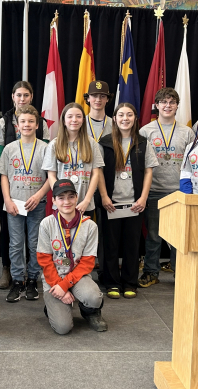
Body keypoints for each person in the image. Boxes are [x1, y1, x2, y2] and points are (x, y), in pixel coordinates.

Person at [0, 81, 50, 290]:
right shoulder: (9, 149)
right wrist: (7, 200)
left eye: (31, 122)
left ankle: (33, 277)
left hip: (38, 202)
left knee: (35, 243)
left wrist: (39, 196)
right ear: (17, 124)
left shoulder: (45, 148)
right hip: (14, 203)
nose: (26, 125)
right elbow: (4, 176)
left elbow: (50, 176)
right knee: (15, 244)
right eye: (23, 122)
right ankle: (17, 278)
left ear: (37, 125)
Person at [99, 103, 158, 299]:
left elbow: (149, 170)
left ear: (135, 118)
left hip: (135, 203)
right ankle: (112, 283)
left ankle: (130, 282)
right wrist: (104, 196)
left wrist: (143, 197)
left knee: (132, 245)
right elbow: (97, 171)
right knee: (111, 245)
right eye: (121, 115)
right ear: (114, 118)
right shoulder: (105, 142)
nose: (125, 118)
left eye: (129, 115)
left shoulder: (142, 142)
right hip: (111, 203)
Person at [138, 88, 195, 287]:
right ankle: (151, 272)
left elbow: (193, 163)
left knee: (179, 235)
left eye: (171, 102)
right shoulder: (146, 131)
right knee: (153, 235)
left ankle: (180, 272)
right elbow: (140, 163)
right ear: (157, 106)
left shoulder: (187, 132)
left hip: (179, 191)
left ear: (177, 106)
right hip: (154, 190)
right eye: (163, 102)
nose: (167, 105)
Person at [37, 179, 108, 335]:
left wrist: (65, 285)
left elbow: (87, 263)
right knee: (63, 328)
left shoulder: (90, 226)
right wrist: (59, 285)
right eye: (61, 198)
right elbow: (44, 260)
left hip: (78, 276)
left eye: (70, 196)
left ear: (77, 198)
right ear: (54, 201)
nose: (66, 202)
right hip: (53, 278)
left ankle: (90, 312)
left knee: (94, 297)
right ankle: (53, 306)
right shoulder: (46, 224)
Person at [42, 103, 104, 216]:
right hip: (62, 206)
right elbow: (51, 175)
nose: (74, 120)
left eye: (79, 116)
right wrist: (61, 199)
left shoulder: (91, 144)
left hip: (85, 205)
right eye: (70, 116)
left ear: (83, 120)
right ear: (64, 121)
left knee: (85, 233)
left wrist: (87, 201)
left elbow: (96, 174)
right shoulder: (54, 145)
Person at [83, 80, 114, 285]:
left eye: (102, 96)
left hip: (109, 181)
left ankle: (105, 272)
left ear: (107, 99)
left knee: (106, 230)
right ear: (87, 99)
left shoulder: (115, 122)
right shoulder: (77, 121)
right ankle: (81, 270)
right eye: (94, 96)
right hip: (84, 183)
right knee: (82, 229)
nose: (98, 99)